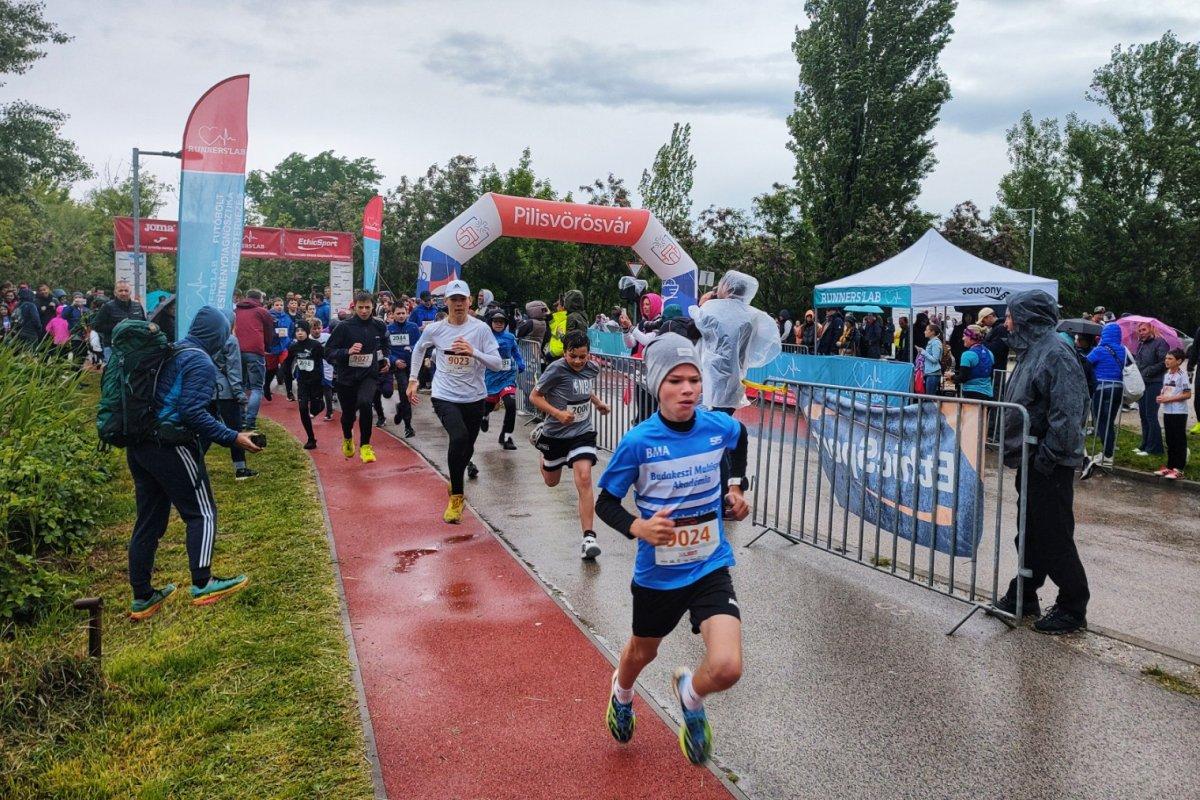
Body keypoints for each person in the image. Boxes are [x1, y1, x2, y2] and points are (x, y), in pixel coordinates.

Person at [595, 333, 749, 764]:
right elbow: (606, 502)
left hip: (710, 565)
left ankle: (690, 697)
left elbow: (740, 437)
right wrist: (638, 527)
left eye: (694, 380)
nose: (687, 390)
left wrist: (736, 488)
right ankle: (622, 694)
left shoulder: (716, 426)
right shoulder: (638, 441)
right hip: (659, 574)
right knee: (643, 652)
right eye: (675, 381)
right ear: (656, 385)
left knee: (727, 667)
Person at [125, 306, 263, 620]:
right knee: (202, 512)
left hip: (140, 444)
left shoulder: (175, 349)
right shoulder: (200, 361)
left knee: (148, 521)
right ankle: (203, 583)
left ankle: (142, 596)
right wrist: (233, 437)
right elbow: (192, 413)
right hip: (170, 445)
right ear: (218, 334)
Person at [996, 290, 1090, 634]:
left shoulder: (1056, 353)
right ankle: (1023, 593)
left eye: (1010, 316)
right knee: (1031, 532)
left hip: (1048, 462)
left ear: (1027, 318)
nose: (1006, 322)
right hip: (1032, 458)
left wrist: (1047, 458)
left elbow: (1068, 413)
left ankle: (1072, 606)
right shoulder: (1032, 351)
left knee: (1053, 535)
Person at [407, 279, 504, 523]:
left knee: (468, 447)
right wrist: (413, 379)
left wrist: (474, 352)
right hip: (444, 396)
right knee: (458, 437)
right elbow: (419, 349)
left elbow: (497, 363)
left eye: (462, 299)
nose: (458, 304)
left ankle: (456, 478)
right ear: (446, 302)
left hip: (474, 397)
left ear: (469, 302)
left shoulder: (481, 329)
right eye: (454, 300)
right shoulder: (435, 329)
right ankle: (457, 497)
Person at [529, 329, 609, 559]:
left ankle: (589, 538)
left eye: (583, 356)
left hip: (582, 431)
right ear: (564, 352)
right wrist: (557, 414)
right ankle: (540, 444)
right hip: (555, 433)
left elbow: (584, 388)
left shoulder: (592, 368)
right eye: (572, 356)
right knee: (551, 482)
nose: (577, 361)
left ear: (589, 354)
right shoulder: (555, 370)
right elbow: (535, 397)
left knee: (584, 477)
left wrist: (598, 403)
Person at [688, 270, 781, 414]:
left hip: (710, 379)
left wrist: (703, 304)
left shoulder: (712, 308)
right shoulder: (751, 316)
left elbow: (692, 330)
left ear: (728, 287)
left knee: (705, 421)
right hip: (734, 380)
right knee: (723, 420)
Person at [324, 291, 391, 463]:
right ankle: (347, 437)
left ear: (373, 306)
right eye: (360, 307)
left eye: (367, 307)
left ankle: (365, 446)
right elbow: (328, 352)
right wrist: (347, 351)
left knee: (365, 403)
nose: (364, 311)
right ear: (354, 307)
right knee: (348, 416)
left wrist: (385, 359)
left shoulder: (379, 325)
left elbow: (385, 343)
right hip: (346, 378)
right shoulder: (344, 327)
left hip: (369, 375)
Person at [211, 310, 254, 480]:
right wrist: (240, 395)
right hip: (227, 392)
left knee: (205, 430)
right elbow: (233, 370)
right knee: (235, 431)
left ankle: (194, 463)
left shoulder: (207, 339)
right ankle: (240, 469)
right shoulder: (231, 340)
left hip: (208, 390)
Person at [1082, 323, 1127, 477]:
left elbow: (1086, 363)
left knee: (1101, 421)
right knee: (1109, 422)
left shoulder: (1099, 350)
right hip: (1118, 388)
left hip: (1101, 387)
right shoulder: (1123, 350)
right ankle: (1109, 451)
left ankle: (1107, 454)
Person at [481, 308, 525, 450]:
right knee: (488, 405)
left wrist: (520, 363)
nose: (499, 324)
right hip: (491, 376)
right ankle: (485, 416)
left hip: (507, 375)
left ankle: (506, 437)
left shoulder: (510, 337)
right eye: (496, 321)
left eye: (501, 321)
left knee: (510, 405)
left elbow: (515, 352)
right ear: (490, 322)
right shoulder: (485, 337)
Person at [234, 289, 275, 431]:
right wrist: (267, 347)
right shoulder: (262, 312)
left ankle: (240, 419)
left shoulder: (236, 311)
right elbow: (270, 332)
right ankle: (250, 422)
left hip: (237, 351)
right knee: (257, 388)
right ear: (260, 299)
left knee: (240, 386)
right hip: (255, 351)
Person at [285, 320, 326, 450]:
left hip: (316, 382)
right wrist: (286, 382)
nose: (300, 333)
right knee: (303, 409)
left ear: (307, 332)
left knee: (315, 408)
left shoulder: (315, 345)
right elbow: (287, 364)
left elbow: (328, 357)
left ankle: (320, 405)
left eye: (302, 330)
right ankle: (311, 438)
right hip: (302, 382)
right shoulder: (293, 347)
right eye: (297, 331)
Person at [1133, 322, 1169, 456]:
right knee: (1143, 414)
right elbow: (1139, 361)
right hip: (1142, 382)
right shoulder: (1141, 344)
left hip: (1154, 382)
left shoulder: (1160, 343)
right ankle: (1145, 444)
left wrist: (1148, 371)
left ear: (1151, 329)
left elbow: (1164, 363)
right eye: (1139, 330)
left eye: (1144, 329)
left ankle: (1154, 448)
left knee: (1150, 415)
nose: (1141, 332)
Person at [1157, 348, 1191, 480]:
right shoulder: (1167, 374)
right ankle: (1170, 466)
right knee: (1169, 439)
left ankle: (1179, 468)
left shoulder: (1182, 375)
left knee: (1179, 440)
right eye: (1166, 358)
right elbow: (1167, 390)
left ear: (1179, 361)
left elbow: (1187, 394)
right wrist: (1161, 396)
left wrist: (1169, 399)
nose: (1167, 361)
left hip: (1179, 412)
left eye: (1170, 359)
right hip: (1167, 411)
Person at [386, 303, 420, 438]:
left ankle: (400, 409)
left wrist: (411, 347)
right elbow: (386, 350)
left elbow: (420, 344)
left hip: (412, 365)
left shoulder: (413, 327)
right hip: (398, 366)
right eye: (398, 313)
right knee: (405, 392)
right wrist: (395, 361)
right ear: (393, 314)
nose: (401, 316)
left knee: (410, 394)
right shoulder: (389, 329)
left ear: (407, 313)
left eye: (403, 313)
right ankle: (408, 426)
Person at [92, 281, 146, 361]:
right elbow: (97, 326)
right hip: (113, 348)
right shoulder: (107, 307)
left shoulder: (137, 306)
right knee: (113, 369)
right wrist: (118, 326)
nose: (123, 293)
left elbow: (144, 324)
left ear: (130, 292)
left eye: (126, 290)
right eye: (120, 291)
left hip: (134, 347)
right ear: (115, 292)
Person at [266, 297, 295, 402]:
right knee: (271, 370)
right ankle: (266, 387)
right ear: (273, 306)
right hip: (272, 348)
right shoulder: (268, 316)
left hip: (284, 347)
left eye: (281, 305)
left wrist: (289, 340)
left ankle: (289, 392)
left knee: (286, 369)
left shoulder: (287, 317)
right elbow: (265, 331)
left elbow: (291, 330)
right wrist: (274, 334)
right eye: (277, 305)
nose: (279, 307)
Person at [954, 324, 994, 400]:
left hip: (971, 394)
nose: (963, 338)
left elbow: (963, 378)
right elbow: (990, 375)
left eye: (964, 336)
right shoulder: (989, 353)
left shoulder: (967, 355)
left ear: (970, 337)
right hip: (988, 394)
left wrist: (951, 377)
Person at [919, 323, 944, 395]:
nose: (924, 332)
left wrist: (923, 352)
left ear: (932, 332)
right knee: (929, 396)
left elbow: (935, 359)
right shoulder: (932, 342)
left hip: (933, 373)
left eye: (926, 330)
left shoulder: (936, 342)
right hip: (930, 373)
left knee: (929, 397)